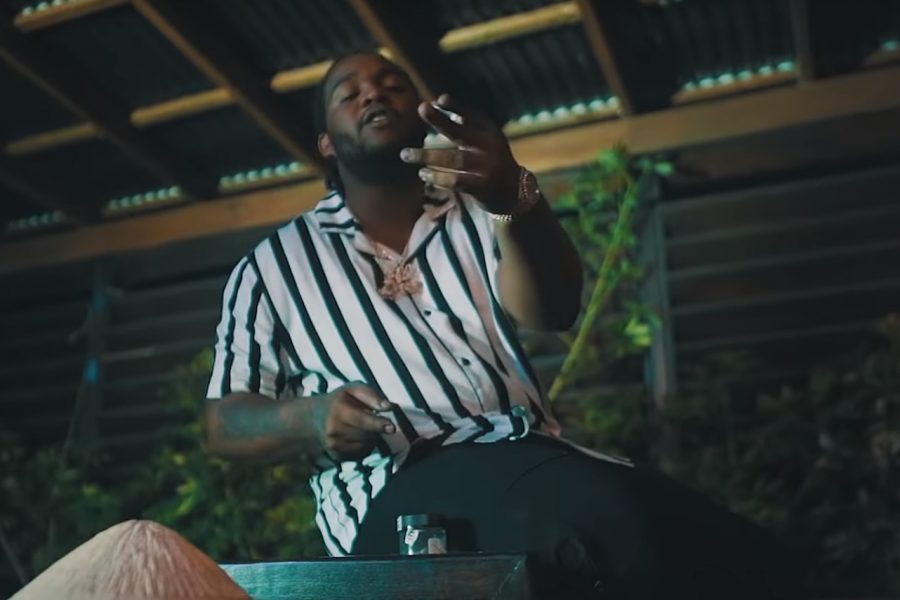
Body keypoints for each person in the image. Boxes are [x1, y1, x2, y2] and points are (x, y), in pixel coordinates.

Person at [205, 52, 804, 599]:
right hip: (396, 492)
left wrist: (514, 196)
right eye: (349, 92)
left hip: (532, 460)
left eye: (392, 83)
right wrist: (309, 418)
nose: (374, 93)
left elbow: (553, 310)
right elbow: (223, 422)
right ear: (325, 144)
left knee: (753, 560)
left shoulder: (478, 211)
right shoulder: (273, 266)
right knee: (607, 530)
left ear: (423, 115)